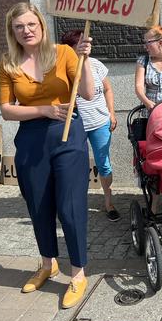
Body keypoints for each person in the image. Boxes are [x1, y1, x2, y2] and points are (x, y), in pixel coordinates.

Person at [0, 2, 94, 309]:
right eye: (19, 27)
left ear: (41, 24)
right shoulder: (7, 62)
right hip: (30, 139)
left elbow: (88, 94)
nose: (26, 31)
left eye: (31, 24)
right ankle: (47, 263)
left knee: (69, 206)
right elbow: (6, 110)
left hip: (67, 135)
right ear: (12, 32)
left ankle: (78, 273)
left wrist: (85, 61)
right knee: (38, 204)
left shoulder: (64, 53)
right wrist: (44, 109)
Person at [61, 30, 119, 222]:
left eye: (84, 43)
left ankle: (108, 202)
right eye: (77, 43)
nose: (83, 46)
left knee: (104, 164)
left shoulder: (95, 64)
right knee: (75, 166)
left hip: (100, 123)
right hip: (77, 126)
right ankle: (75, 204)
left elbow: (108, 89)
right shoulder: (61, 70)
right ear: (68, 48)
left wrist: (111, 112)